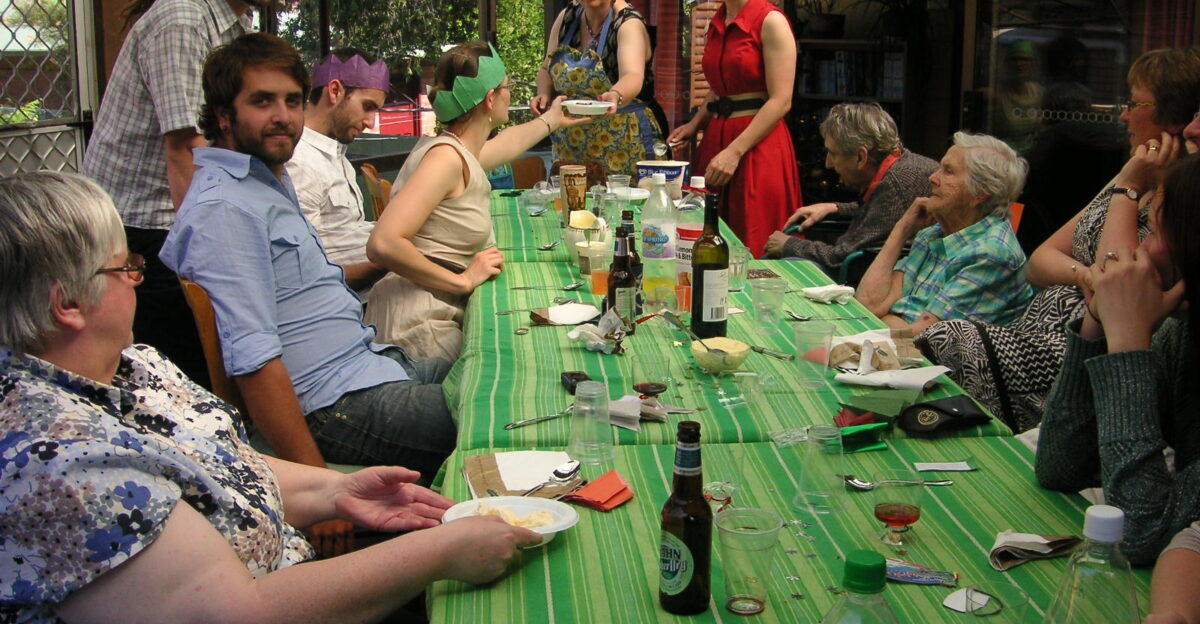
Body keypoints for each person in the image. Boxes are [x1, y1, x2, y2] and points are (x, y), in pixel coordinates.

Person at [0, 170, 541, 623]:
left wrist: (335, 491)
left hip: (296, 556)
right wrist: (438, 553)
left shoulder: (131, 368)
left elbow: (218, 460)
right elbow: (240, 614)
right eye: (127, 268)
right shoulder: (53, 461)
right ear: (67, 303)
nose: (138, 281)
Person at [917, 48, 1200, 432]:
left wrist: (1131, 188)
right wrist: (1084, 276)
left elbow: (1113, 281)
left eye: (1135, 102)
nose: (1123, 114)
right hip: (1042, 328)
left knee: (948, 338)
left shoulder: (1177, 192)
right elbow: (1039, 262)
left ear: (1174, 113)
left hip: (1093, 343)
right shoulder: (1130, 174)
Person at [82, 0, 265, 389]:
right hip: (144, 226)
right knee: (182, 384)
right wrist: (208, 254)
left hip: (172, 218)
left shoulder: (236, 22)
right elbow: (186, 149)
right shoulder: (182, 18)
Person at [365, 42, 588, 361]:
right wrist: (462, 280)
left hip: (422, 321)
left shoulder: (456, 150)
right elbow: (383, 243)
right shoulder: (445, 159)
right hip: (416, 334)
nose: (511, 95)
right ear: (490, 98)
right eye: (508, 87)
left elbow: (504, 145)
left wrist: (552, 119)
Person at [1036, 153, 1199, 567]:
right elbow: (1061, 466)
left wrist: (1128, 342)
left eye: (1158, 231)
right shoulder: (1182, 334)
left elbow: (1138, 534)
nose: (1140, 249)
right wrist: (1098, 320)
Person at [855, 132, 1034, 334]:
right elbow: (869, 304)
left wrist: (888, 320)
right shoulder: (934, 233)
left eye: (948, 171)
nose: (932, 177)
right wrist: (902, 229)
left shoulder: (992, 254)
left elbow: (927, 339)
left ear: (980, 193)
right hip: (892, 347)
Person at [667, 0, 801, 258]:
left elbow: (781, 100)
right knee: (703, 236)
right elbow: (722, 86)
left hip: (756, 145)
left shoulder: (771, 21)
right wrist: (695, 125)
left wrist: (734, 152)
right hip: (717, 138)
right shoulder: (718, 21)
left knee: (753, 235)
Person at [763, 102, 938, 274]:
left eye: (833, 153)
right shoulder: (901, 163)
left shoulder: (897, 184)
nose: (828, 164)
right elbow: (880, 214)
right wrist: (836, 208)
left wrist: (789, 244)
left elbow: (843, 257)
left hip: (860, 275)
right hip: (861, 266)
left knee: (785, 267)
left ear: (861, 157)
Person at [284, 48, 390, 299]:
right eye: (367, 107)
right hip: (350, 308)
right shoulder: (299, 162)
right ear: (334, 91)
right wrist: (388, 264)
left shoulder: (334, 152)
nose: (370, 122)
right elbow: (303, 275)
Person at [530, 0, 666, 178]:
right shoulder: (567, 18)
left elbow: (633, 75)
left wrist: (616, 94)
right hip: (570, 144)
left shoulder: (628, 23)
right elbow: (546, 69)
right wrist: (543, 93)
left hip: (623, 142)